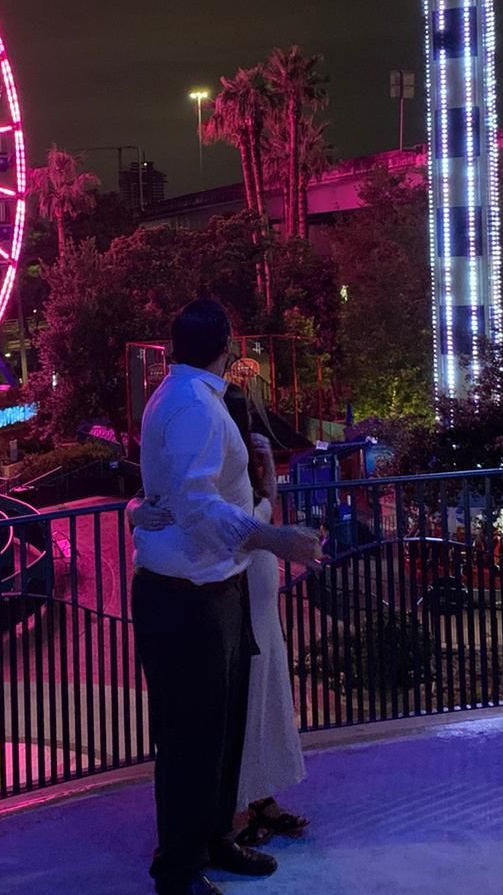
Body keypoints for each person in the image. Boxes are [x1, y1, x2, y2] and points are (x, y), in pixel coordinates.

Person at [131, 299, 325, 895]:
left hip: (211, 588)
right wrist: (275, 536)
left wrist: (139, 508)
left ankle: (214, 839)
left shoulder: (181, 396)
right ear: (228, 345)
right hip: (189, 596)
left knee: (219, 730)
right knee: (192, 738)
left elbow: (170, 494)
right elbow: (195, 504)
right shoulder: (194, 407)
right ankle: (181, 871)